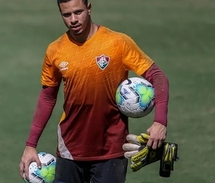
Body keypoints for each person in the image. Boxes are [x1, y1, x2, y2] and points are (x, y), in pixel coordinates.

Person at [19, 0, 169, 182]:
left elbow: (157, 76)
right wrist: (30, 145)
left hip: (111, 149)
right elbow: (47, 97)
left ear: (89, 8)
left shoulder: (117, 42)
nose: (73, 19)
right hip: (70, 148)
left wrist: (160, 122)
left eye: (78, 12)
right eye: (66, 15)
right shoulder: (55, 50)